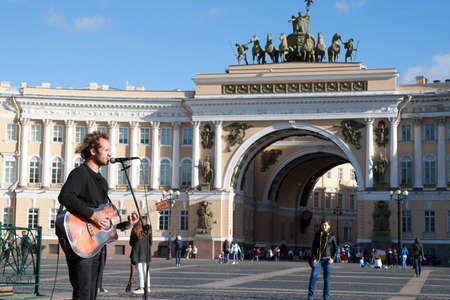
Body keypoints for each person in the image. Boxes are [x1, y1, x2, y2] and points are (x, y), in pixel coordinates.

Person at [57, 131, 138, 300]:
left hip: (98, 245)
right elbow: (65, 196)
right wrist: (92, 215)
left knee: (92, 293)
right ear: (93, 151)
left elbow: (106, 218)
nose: (110, 153)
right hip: (81, 241)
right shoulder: (80, 173)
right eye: (106, 149)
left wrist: (126, 224)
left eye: (110, 150)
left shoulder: (101, 181)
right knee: (83, 293)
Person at [307, 219, 337, 300]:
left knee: (327, 279)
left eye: (325, 225)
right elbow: (313, 248)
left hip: (328, 260)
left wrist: (332, 258)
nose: (324, 226)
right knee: (313, 276)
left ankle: (326, 297)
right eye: (322, 225)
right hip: (318, 260)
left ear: (329, 226)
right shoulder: (317, 235)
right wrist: (313, 259)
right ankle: (310, 296)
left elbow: (335, 249)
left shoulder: (332, 236)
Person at [129, 216, 152, 295]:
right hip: (146, 252)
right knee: (146, 270)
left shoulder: (135, 229)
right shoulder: (148, 230)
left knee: (140, 270)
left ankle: (141, 287)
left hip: (137, 252)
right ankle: (147, 287)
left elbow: (131, 243)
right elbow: (151, 242)